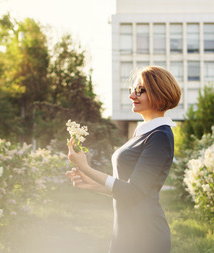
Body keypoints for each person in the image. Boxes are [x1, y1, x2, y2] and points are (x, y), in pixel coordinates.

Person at [66, 66, 181, 253]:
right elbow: (128, 189)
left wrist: (85, 167)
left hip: (145, 237)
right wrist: (92, 184)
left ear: (159, 95)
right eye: (132, 90)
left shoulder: (159, 136)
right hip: (127, 232)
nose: (132, 96)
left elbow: (133, 192)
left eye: (140, 91)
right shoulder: (142, 132)